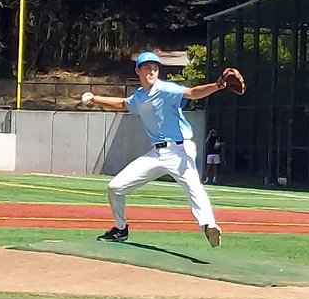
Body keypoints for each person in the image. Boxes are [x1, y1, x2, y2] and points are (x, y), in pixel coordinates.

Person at [81, 51, 227, 247]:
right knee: (115, 187)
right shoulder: (139, 97)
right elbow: (124, 104)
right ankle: (120, 229)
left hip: (180, 149)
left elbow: (192, 93)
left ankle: (208, 225)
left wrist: (217, 86)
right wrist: (96, 99)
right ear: (138, 71)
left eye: (155, 68)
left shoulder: (166, 89)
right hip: (156, 154)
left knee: (193, 187)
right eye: (147, 67)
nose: (152, 71)